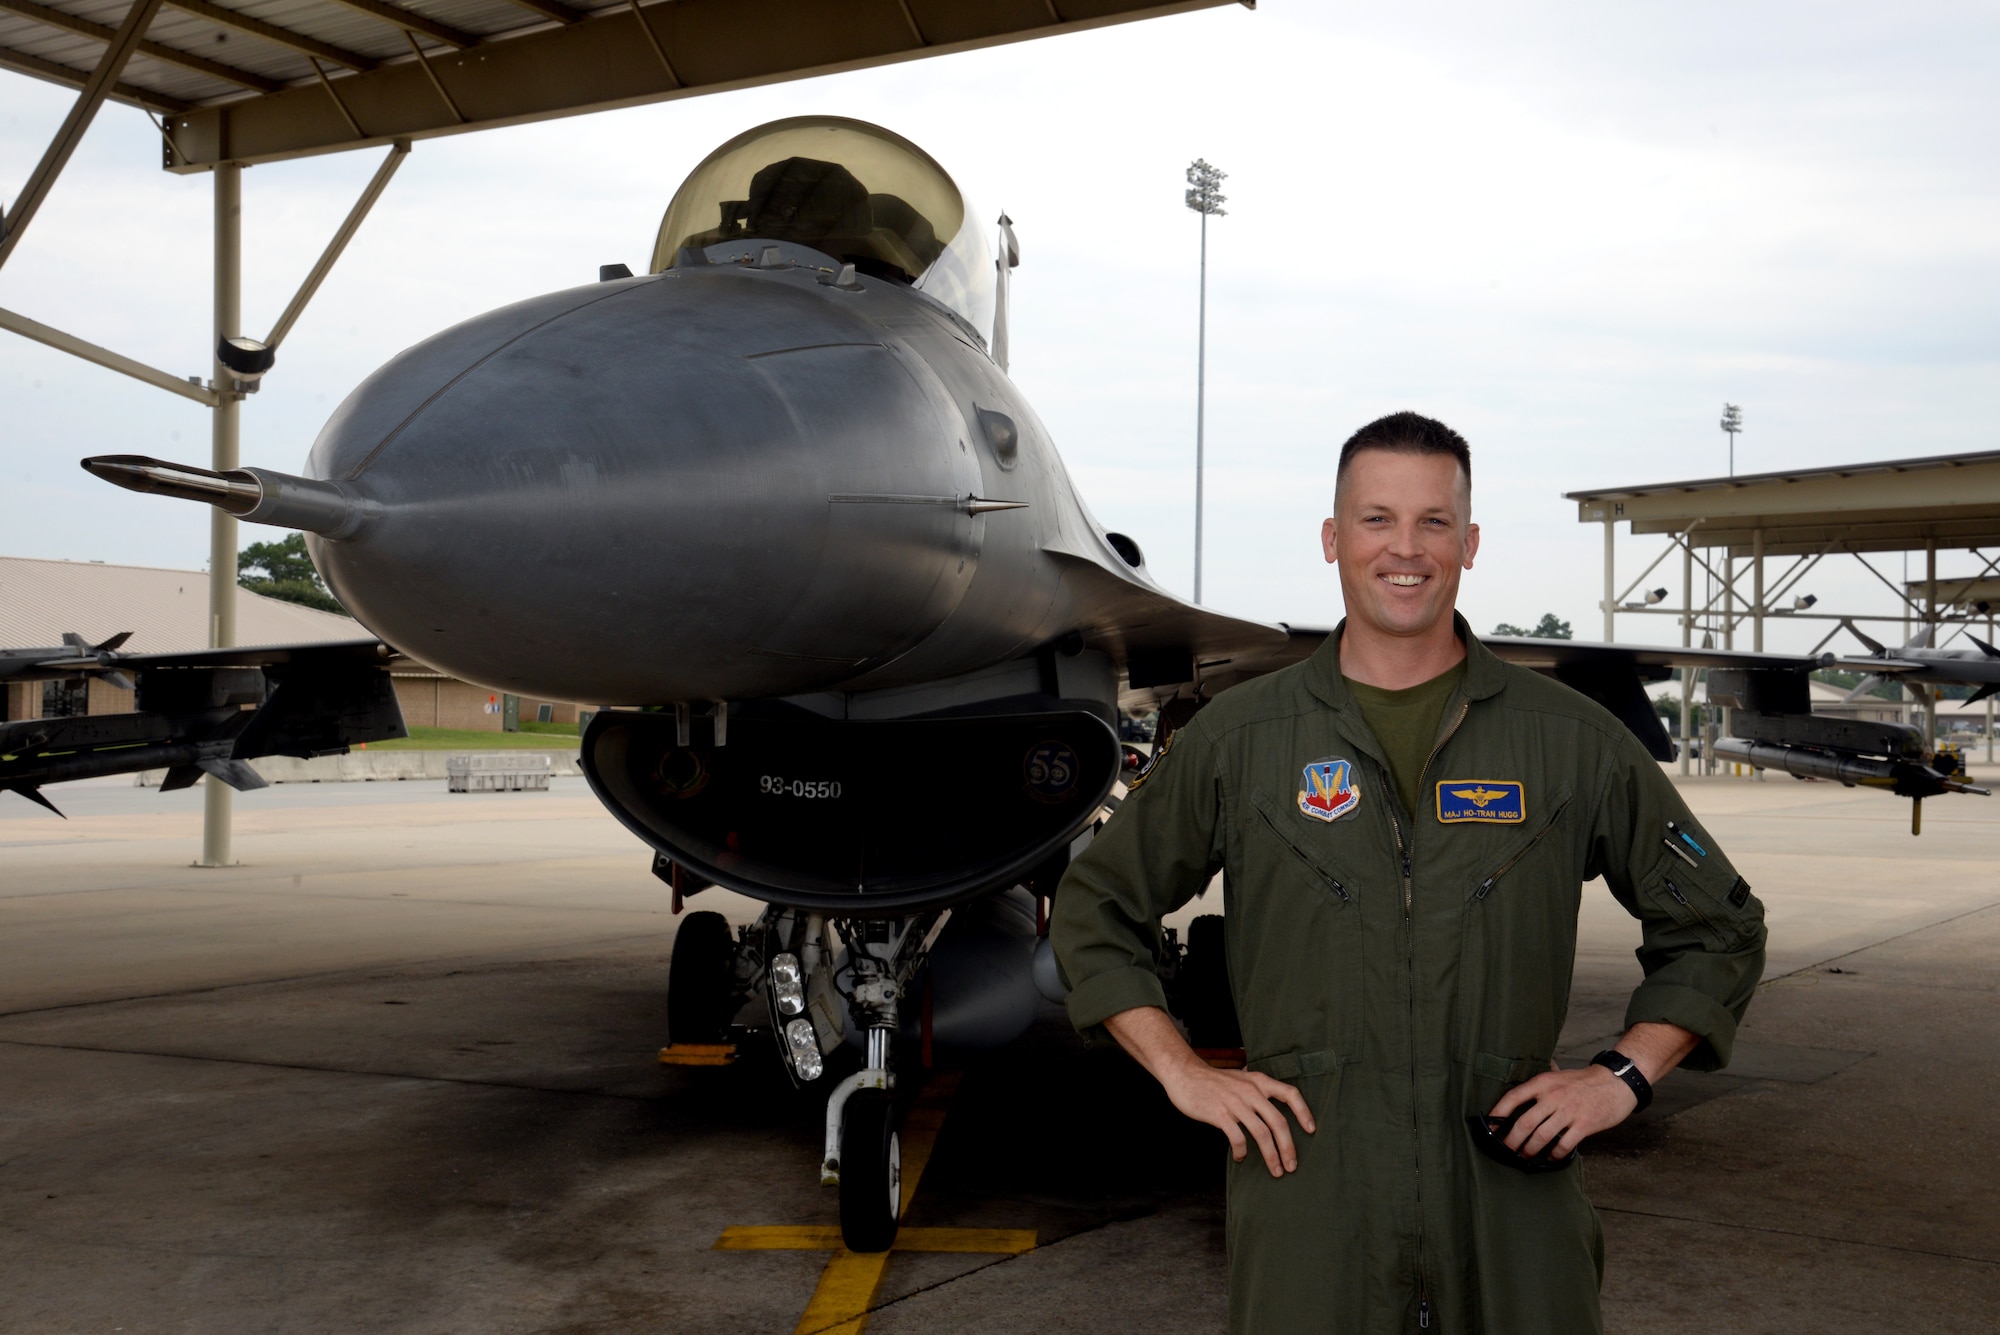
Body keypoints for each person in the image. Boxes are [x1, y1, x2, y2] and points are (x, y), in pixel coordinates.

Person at [1051, 412, 1767, 1334]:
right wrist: (1184, 1071)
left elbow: (1719, 924)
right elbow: (1097, 904)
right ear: (1333, 538)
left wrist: (1621, 1076)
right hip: (1310, 1205)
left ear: (1469, 544)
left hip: (1514, 1203)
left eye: (1434, 522)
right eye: (1377, 518)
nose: (1406, 549)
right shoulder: (1242, 738)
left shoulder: (1570, 741)